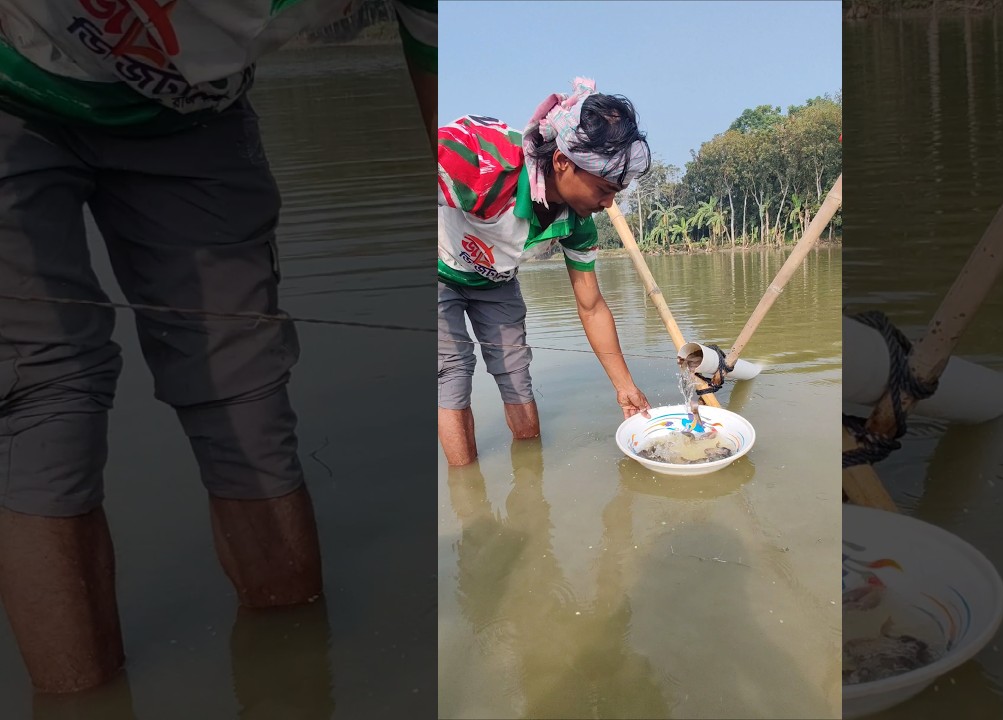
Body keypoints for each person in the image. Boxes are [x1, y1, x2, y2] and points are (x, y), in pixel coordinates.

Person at [0, 0, 436, 694]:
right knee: (43, 400)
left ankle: (295, 681)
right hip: (12, 79)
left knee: (245, 397)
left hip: (189, 112)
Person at [437, 77, 653, 467]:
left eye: (615, 193)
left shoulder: (577, 222)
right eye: (603, 189)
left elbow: (591, 306)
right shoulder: (479, 158)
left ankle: (531, 482)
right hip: (437, 271)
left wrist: (625, 388)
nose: (608, 204)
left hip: (496, 281)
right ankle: (467, 490)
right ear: (562, 162)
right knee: (452, 372)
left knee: (515, 373)